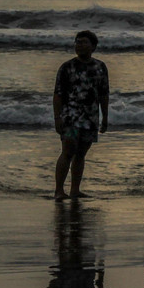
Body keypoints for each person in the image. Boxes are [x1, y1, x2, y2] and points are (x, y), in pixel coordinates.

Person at [53, 30, 109, 201]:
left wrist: (105, 117)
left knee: (81, 154)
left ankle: (75, 190)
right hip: (70, 116)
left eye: (84, 42)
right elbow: (58, 95)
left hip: (90, 117)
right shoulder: (67, 67)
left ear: (93, 46)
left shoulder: (100, 66)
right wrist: (57, 118)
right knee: (68, 150)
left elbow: (104, 94)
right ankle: (58, 190)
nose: (79, 45)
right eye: (77, 42)